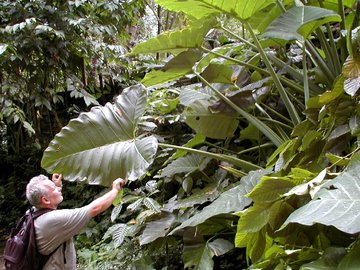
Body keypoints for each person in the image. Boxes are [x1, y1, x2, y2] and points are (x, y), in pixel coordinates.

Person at [25, 173, 125, 270]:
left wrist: (55, 186)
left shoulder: (31, 213)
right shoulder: (54, 220)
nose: (58, 189)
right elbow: (95, 208)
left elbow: (48, 204)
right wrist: (115, 190)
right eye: (54, 189)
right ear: (45, 200)